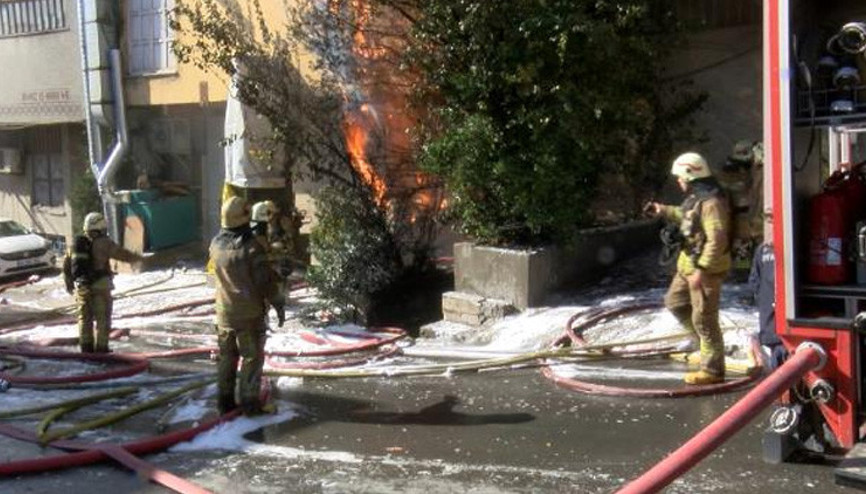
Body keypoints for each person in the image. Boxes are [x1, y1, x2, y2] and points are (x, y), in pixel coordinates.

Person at [644, 152, 732, 385]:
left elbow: (717, 239)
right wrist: (662, 210)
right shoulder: (697, 198)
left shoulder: (712, 203)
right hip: (687, 265)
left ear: (690, 175)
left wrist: (702, 271)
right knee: (674, 302)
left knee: (704, 319)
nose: (678, 182)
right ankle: (704, 348)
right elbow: (686, 217)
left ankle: (712, 371)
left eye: (680, 177)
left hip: (704, 271)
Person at [210, 196, 284, 415]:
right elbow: (265, 282)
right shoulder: (252, 248)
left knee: (227, 358)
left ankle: (225, 402)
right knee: (251, 358)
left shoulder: (215, 244)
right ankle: (251, 404)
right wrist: (278, 302)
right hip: (249, 314)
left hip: (224, 314)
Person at [63, 212, 143, 353]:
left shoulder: (76, 244)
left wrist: (69, 285)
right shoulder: (103, 242)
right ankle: (102, 350)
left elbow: (66, 267)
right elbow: (121, 254)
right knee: (103, 319)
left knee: (84, 319)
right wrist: (136, 258)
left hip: (82, 288)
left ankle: (86, 349)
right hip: (101, 287)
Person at [748, 212, 787, 370]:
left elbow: (754, 282)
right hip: (772, 327)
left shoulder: (773, 249)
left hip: (778, 326)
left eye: (773, 221)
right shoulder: (763, 250)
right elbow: (755, 281)